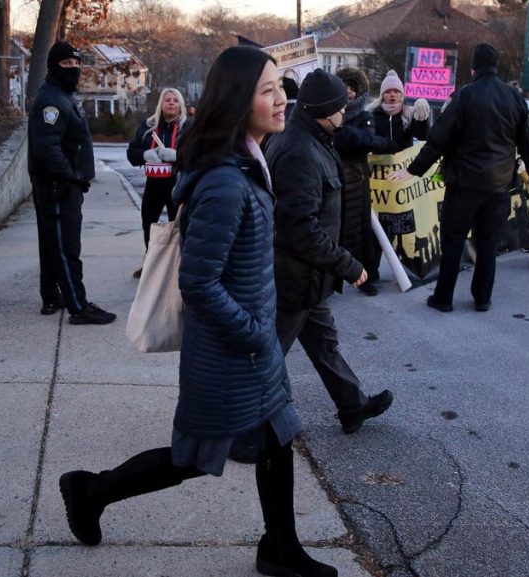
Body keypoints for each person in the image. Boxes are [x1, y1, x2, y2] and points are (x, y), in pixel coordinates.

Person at [58, 46, 338, 577]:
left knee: (279, 439)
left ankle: (280, 547)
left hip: (253, 351)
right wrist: (255, 332)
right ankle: (90, 491)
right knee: (190, 458)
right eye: (267, 91)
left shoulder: (248, 160)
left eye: (281, 87)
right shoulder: (227, 182)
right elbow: (199, 283)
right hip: (233, 354)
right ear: (237, 102)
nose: (282, 99)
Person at [266, 68, 394, 435]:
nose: (347, 108)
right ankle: (244, 433)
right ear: (326, 110)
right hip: (295, 276)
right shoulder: (300, 151)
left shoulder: (313, 136)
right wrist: (348, 265)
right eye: (342, 104)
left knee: (324, 345)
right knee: (268, 358)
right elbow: (300, 228)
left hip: (310, 275)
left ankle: (352, 407)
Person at [388, 44, 529, 313]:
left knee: (453, 240)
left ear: (473, 69)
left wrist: (413, 170)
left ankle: (443, 298)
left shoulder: (464, 97)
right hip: (499, 184)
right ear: (496, 66)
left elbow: (438, 140)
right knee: (488, 241)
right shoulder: (514, 97)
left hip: (464, 183)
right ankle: (482, 298)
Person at [27, 41, 116, 325]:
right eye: (67, 64)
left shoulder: (62, 95)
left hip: (62, 185)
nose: (74, 69)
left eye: (77, 64)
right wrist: (71, 175)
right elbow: (47, 148)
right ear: (54, 67)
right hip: (58, 186)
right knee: (66, 247)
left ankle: (53, 295)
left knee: (54, 244)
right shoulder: (52, 100)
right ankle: (79, 306)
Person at [334, 67, 401, 296]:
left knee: (360, 233)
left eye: (353, 88)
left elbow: (361, 141)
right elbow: (351, 140)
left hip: (357, 182)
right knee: (333, 232)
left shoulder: (364, 117)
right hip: (334, 180)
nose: (349, 92)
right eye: (345, 88)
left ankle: (365, 277)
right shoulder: (330, 115)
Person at [126, 88, 189, 278]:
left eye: (175, 100)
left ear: (181, 105)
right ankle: (151, 263)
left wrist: (178, 156)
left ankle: (179, 266)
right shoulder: (147, 128)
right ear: (161, 104)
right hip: (153, 184)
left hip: (179, 185)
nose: (171, 103)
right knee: (149, 224)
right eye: (167, 100)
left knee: (179, 226)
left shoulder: (189, 128)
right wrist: (144, 155)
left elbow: (200, 156)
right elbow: (132, 154)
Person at [365, 69, 431, 150]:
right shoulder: (373, 114)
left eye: (396, 91)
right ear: (382, 95)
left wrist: (421, 119)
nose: (392, 95)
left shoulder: (409, 113)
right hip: (379, 161)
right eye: (388, 92)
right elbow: (367, 139)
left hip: (405, 162)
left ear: (401, 95)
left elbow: (423, 136)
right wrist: (385, 144)